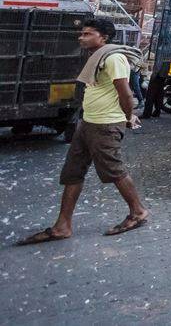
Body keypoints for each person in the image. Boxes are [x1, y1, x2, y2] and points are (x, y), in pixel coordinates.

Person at [18, 18, 149, 245]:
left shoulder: (114, 58)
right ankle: (62, 225)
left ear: (104, 37)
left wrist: (127, 117)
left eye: (88, 34)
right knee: (73, 172)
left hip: (106, 125)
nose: (82, 37)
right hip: (88, 123)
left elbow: (126, 94)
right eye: (82, 33)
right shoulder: (97, 57)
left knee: (113, 170)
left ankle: (138, 212)